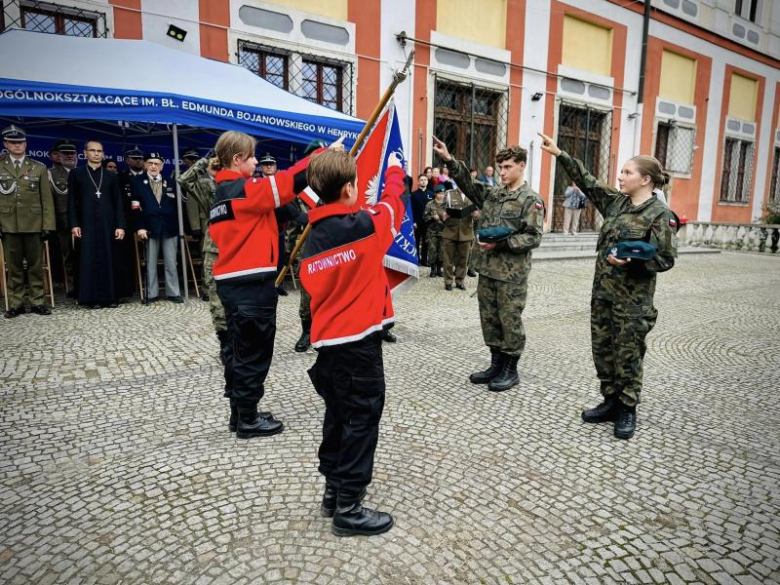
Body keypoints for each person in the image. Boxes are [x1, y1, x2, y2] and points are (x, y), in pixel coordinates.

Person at [539, 132, 678, 440]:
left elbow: (666, 258)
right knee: (602, 350)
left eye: (628, 172)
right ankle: (610, 400)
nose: (621, 176)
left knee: (628, 354)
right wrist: (560, 154)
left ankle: (627, 408)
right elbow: (587, 182)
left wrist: (636, 262)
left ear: (646, 180)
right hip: (603, 295)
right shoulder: (616, 204)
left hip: (633, 302)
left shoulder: (659, 215)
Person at [300, 148, 405, 537]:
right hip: (358, 342)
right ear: (348, 188)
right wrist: (395, 169)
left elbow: (313, 192)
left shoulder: (314, 232)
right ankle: (349, 506)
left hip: (327, 342)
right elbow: (393, 204)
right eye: (356, 184)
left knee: (338, 414)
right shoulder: (365, 224)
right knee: (361, 418)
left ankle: (332, 490)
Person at [209, 131, 332, 438]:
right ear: (237, 160)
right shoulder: (243, 189)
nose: (256, 163)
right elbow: (288, 183)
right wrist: (322, 156)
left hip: (234, 284)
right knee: (254, 353)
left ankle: (240, 413)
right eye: (251, 157)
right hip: (251, 284)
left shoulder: (222, 191)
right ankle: (248, 420)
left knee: (239, 351)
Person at [433, 136, 544, 392]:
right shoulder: (494, 194)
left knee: (510, 320)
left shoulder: (530, 199)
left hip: (511, 274)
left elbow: (533, 236)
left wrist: (501, 244)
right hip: (488, 270)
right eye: (501, 167)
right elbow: (469, 185)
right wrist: (449, 160)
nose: (503, 172)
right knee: (490, 319)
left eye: (508, 167)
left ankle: (510, 370)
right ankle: (495, 364)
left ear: (521, 166)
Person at [0, 125, 55, 317]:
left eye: (20, 142)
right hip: (8, 224)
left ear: (26, 143)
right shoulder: (0, 165)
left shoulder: (38, 167)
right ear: (6, 144)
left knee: (35, 265)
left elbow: (46, 200)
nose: (17, 146)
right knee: (13, 267)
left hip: (34, 224)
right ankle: (16, 303)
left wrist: (48, 225)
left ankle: (37, 301)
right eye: (13, 142)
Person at [68, 140, 126, 308]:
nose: (96, 154)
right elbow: (71, 201)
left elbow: (118, 203)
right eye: (92, 150)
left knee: (109, 259)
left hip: (108, 224)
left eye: (99, 151)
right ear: (85, 153)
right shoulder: (76, 174)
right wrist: (74, 224)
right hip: (86, 224)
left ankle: (110, 297)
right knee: (88, 260)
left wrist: (121, 225)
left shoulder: (111, 176)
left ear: (103, 153)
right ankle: (91, 298)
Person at [132, 152, 183, 303]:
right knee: (150, 263)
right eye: (150, 163)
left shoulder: (171, 181)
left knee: (171, 262)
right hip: (149, 227)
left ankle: (173, 292)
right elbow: (135, 206)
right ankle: (151, 293)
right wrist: (139, 227)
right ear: (145, 165)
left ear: (161, 166)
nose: (154, 166)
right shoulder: (137, 181)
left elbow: (177, 206)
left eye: (157, 163)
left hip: (169, 226)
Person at [115, 147, 146, 300]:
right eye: (134, 158)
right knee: (126, 257)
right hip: (127, 222)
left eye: (140, 158)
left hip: (146, 222)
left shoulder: (149, 176)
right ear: (127, 160)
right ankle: (128, 288)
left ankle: (149, 287)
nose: (138, 160)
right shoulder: (120, 177)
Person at [48, 139, 78, 295]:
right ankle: (72, 286)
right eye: (65, 153)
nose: (69, 156)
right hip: (64, 222)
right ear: (58, 156)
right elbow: (49, 201)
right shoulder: (50, 174)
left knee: (84, 254)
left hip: (84, 221)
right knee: (68, 256)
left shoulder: (83, 172)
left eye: (72, 153)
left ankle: (84, 284)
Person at [439, 186, 475, 291]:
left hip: (466, 232)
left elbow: (479, 210)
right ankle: (448, 282)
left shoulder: (472, 194)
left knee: (463, 259)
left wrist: (477, 213)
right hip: (450, 231)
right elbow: (440, 207)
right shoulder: (449, 193)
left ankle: (460, 281)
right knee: (448, 259)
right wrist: (443, 214)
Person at [423, 187, 446, 276]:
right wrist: (432, 218)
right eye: (440, 193)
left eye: (443, 194)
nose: (441, 195)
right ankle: (433, 269)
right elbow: (424, 218)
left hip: (444, 232)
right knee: (432, 251)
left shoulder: (446, 205)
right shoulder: (430, 204)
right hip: (432, 232)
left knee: (442, 251)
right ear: (436, 194)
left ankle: (439, 269)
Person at [411, 174, 431, 266]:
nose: (423, 181)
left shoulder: (431, 194)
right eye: (421, 180)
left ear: (427, 181)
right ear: (418, 182)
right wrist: (414, 222)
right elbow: (412, 210)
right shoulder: (414, 195)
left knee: (426, 242)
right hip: (418, 223)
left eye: (425, 180)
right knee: (417, 241)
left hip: (428, 222)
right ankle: (417, 259)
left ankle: (424, 260)